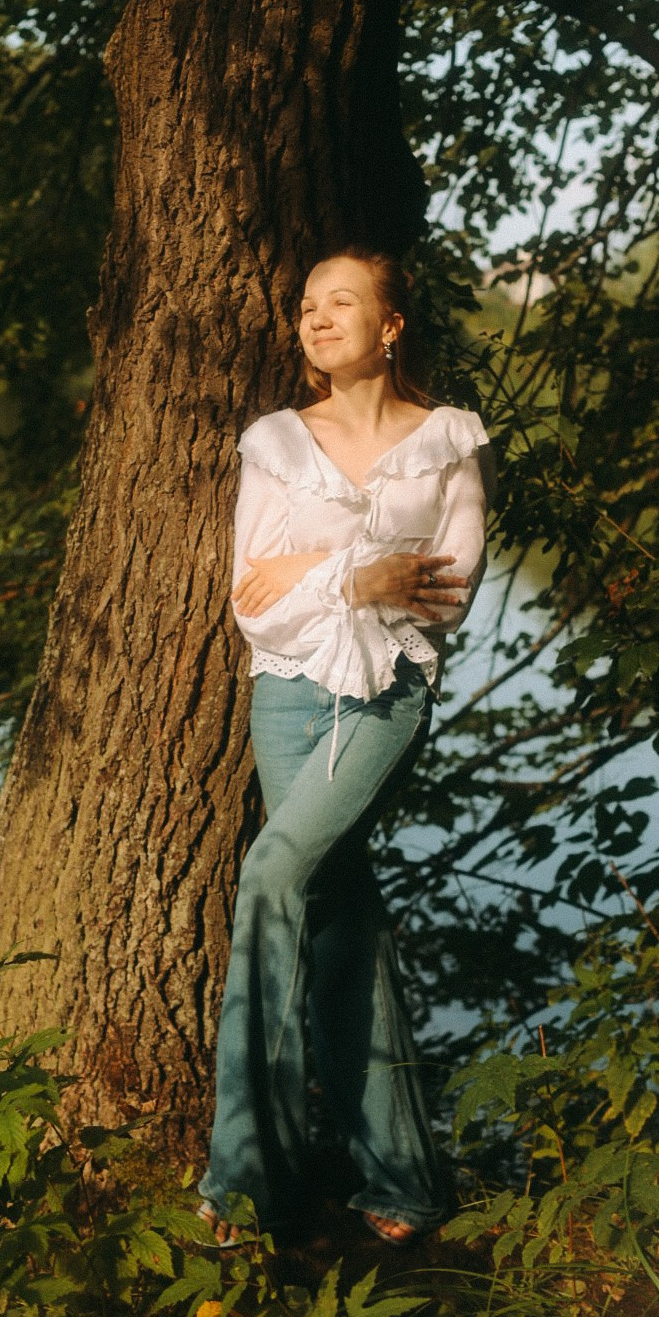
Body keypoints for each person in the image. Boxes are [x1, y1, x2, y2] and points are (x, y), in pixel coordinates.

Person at [196, 246, 492, 1248]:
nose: (317, 320)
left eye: (342, 302)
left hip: (387, 699)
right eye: (306, 306)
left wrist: (309, 570)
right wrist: (360, 577)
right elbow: (252, 600)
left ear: (391, 323)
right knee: (339, 918)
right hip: (285, 696)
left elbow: (444, 594)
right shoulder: (276, 442)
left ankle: (246, 1177)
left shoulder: (448, 441)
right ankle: (402, 1183)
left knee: (272, 872)